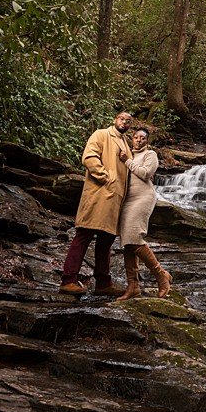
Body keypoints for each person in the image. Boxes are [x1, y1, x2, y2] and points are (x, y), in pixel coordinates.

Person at [58, 111, 134, 296]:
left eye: (128, 121)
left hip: (115, 200)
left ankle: (103, 284)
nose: (125, 122)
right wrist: (106, 177)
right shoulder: (101, 134)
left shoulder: (126, 144)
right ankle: (68, 280)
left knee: (106, 241)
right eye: (122, 119)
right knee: (84, 233)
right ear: (115, 119)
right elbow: (89, 157)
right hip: (99, 194)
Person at [116, 126, 171, 300]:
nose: (139, 140)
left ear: (147, 141)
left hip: (143, 198)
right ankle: (133, 286)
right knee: (127, 242)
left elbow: (146, 174)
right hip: (127, 200)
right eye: (136, 137)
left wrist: (127, 162)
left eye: (143, 138)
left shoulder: (150, 155)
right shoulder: (129, 154)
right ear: (132, 139)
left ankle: (161, 275)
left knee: (134, 237)